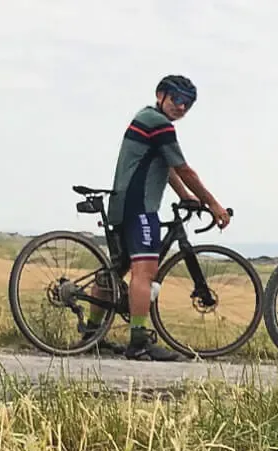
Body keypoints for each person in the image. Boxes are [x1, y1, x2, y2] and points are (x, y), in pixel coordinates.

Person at [103, 74, 230, 362]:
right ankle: (138, 342)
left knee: (117, 267)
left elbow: (166, 168)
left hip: (124, 203)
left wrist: (185, 196)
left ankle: (91, 331)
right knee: (144, 272)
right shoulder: (158, 123)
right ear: (161, 95)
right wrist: (214, 204)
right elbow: (183, 168)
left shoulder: (147, 118)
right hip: (140, 207)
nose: (182, 107)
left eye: (189, 104)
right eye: (177, 99)